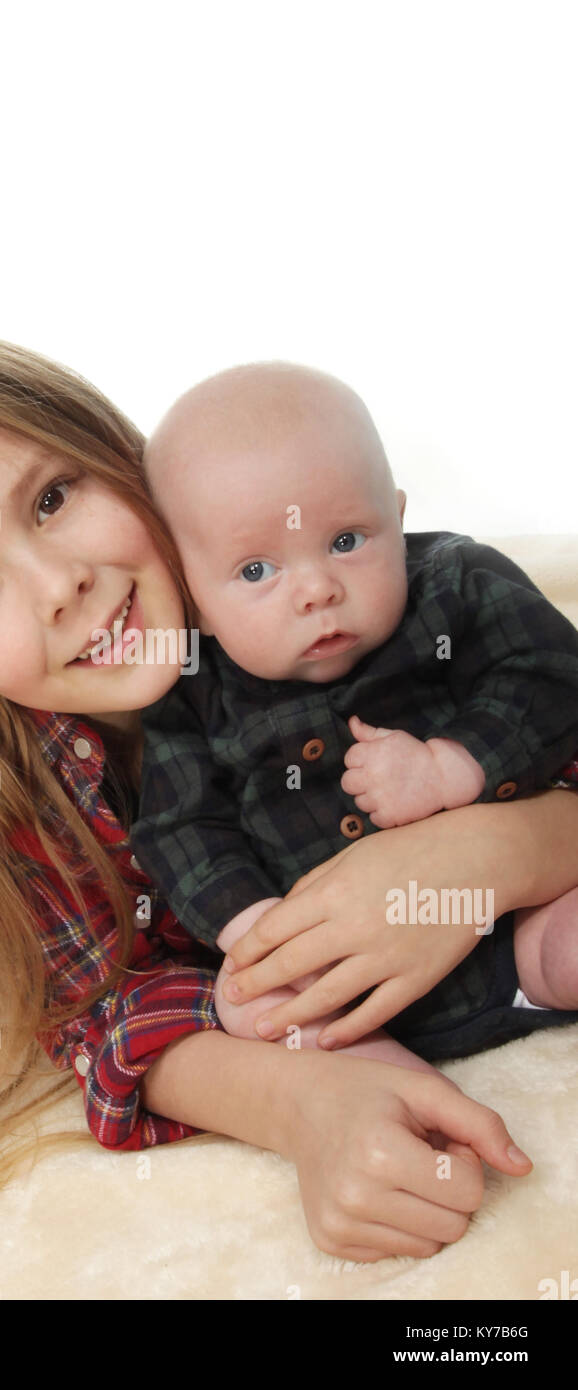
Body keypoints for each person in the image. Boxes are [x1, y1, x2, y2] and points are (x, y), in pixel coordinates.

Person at [0, 333, 578, 1267]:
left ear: (121, 454)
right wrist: (303, 1104)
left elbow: (543, 709)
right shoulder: (1, 805)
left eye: (53, 500)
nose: (63, 584)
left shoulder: (310, 588)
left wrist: (492, 853)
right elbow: (97, 1009)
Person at [131, 361, 578, 1062]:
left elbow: (551, 673)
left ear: (397, 521)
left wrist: (451, 765)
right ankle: (369, 1068)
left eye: (346, 541)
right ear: (196, 605)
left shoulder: (456, 588)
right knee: (247, 1000)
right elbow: (179, 826)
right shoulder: (193, 693)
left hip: (511, 929)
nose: (316, 588)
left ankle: (541, 977)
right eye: (256, 571)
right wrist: (263, 932)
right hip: (327, 980)